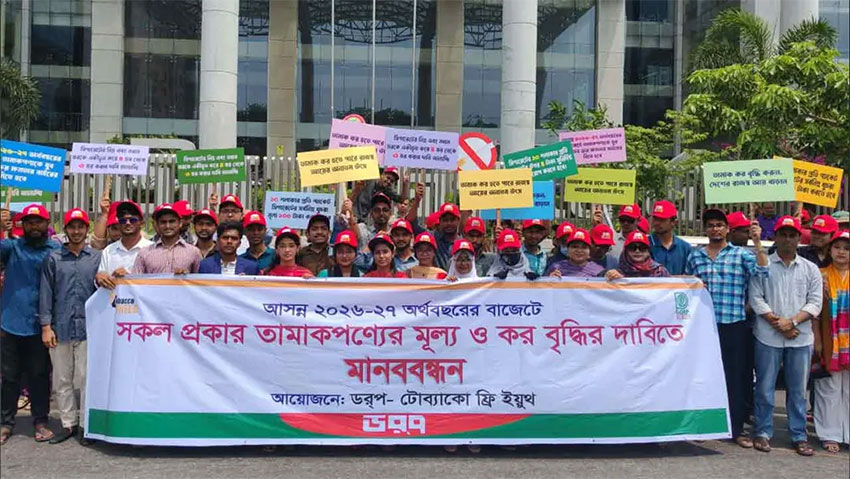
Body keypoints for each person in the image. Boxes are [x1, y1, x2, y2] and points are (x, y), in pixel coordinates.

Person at [684, 208, 769, 448]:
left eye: (719, 225)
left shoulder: (741, 255)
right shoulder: (695, 257)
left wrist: (757, 242)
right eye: (711, 225)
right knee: (703, 376)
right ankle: (703, 425)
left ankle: (737, 429)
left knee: (736, 379)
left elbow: (764, 271)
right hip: (704, 328)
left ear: (727, 229)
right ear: (705, 229)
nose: (715, 229)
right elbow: (687, 286)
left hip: (734, 325)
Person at [749, 215, 823, 456]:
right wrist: (777, 323)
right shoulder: (763, 265)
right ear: (776, 236)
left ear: (799, 238)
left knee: (798, 391)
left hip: (800, 338)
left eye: (792, 235)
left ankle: (799, 435)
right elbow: (756, 298)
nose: (788, 239)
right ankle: (762, 432)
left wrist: (791, 322)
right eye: (783, 234)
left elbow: (815, 303)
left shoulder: (810, 269)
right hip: (768, 336)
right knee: (764, 387)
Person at [38, 208, 101, 445]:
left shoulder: (96, 258)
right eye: (72, 227)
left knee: (85, 379)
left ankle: (86, 425)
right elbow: (46, 293)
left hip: (88, 328)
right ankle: (68, 424)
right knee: (62, 379)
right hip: (60, 327)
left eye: (80, 227)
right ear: (65, 230)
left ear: (87, 229)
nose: (76, 231)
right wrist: (46, 326)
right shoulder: (53, 258)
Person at [0, 204, 60, 445]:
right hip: (10, 323)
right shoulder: (12, 247)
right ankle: (5, 423)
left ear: (47, 224)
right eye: (29, 222)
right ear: (22, 225)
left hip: (42, 325)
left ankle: (40, 421)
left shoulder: (55, 250)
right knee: (9, 377)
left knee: (39, 375)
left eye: (38, 222)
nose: (34, 226)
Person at [812, 229, 849, 452]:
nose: (841, 252)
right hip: (829, 339)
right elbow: (814, 312)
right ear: (829, 250)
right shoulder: (820, 274)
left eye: (847, 248)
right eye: (837, 247)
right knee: (828, 389)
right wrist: (817, 339)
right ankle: (830, 434)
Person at [95, 200, 153, 289]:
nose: (128, 223)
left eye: (133, 220)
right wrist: (100, 278)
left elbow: (158, 283)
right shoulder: (109, 251)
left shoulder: (152, 249)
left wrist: (130, 278)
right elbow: (100, 282)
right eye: (123, 220)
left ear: (142, 222)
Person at [133, 203, 202, 274]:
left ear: (180, 223)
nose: (167, 226)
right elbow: (135, 279)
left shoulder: (193, 252)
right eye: (163, 222)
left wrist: (185, 277)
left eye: (172, 221)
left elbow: (200, 279)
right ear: (157, 225)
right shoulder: (144, 253)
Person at [648, 200, 693, 275]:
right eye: (655, 218)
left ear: (674, 222)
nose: (657, 223)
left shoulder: (685, 248)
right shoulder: (644, 245)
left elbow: (690, 275)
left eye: (662, 219)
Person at [604, 231, 670, 279]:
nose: (637, 251)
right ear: (626, 251)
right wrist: (617, 281)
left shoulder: (660, 272)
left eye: (642, 248)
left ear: (648, 251)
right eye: (632, 247)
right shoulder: (617, 272)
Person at [433, 203, 461, 270]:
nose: (449, 223)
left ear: (458, 221)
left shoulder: (463, 244)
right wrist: (417, 202)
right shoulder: (433, 239)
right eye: (445, 220)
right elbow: (413, 224)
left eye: (452, 220)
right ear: (440, 221)